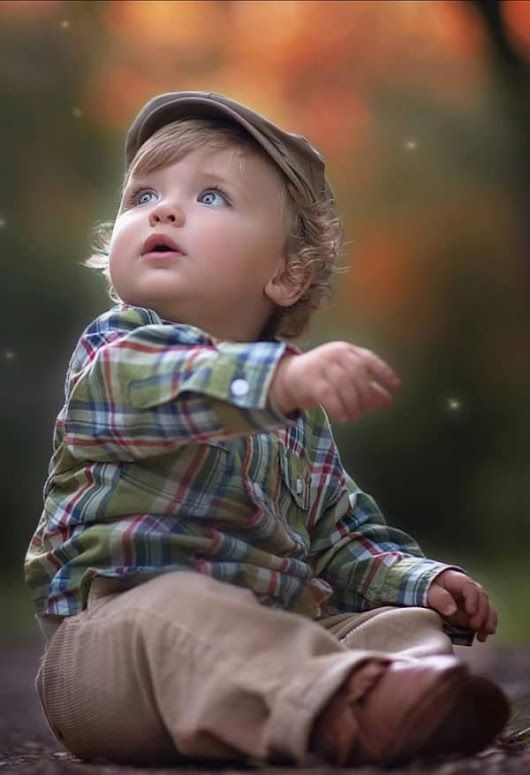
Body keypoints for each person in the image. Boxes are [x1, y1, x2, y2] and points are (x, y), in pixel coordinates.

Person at [24, 91, 510, 767]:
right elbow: (154, 388)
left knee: (399, 625)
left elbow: (339, 538)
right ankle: (347, 702)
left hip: (265, 641)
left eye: (212, 197)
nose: (161, 209)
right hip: (113, 652)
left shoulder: (298, 421)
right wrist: (277, 381)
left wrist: (420, 580)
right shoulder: (117, 350)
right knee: (180, 608)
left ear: (287, 272)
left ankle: (405, 693)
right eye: (142, 196)